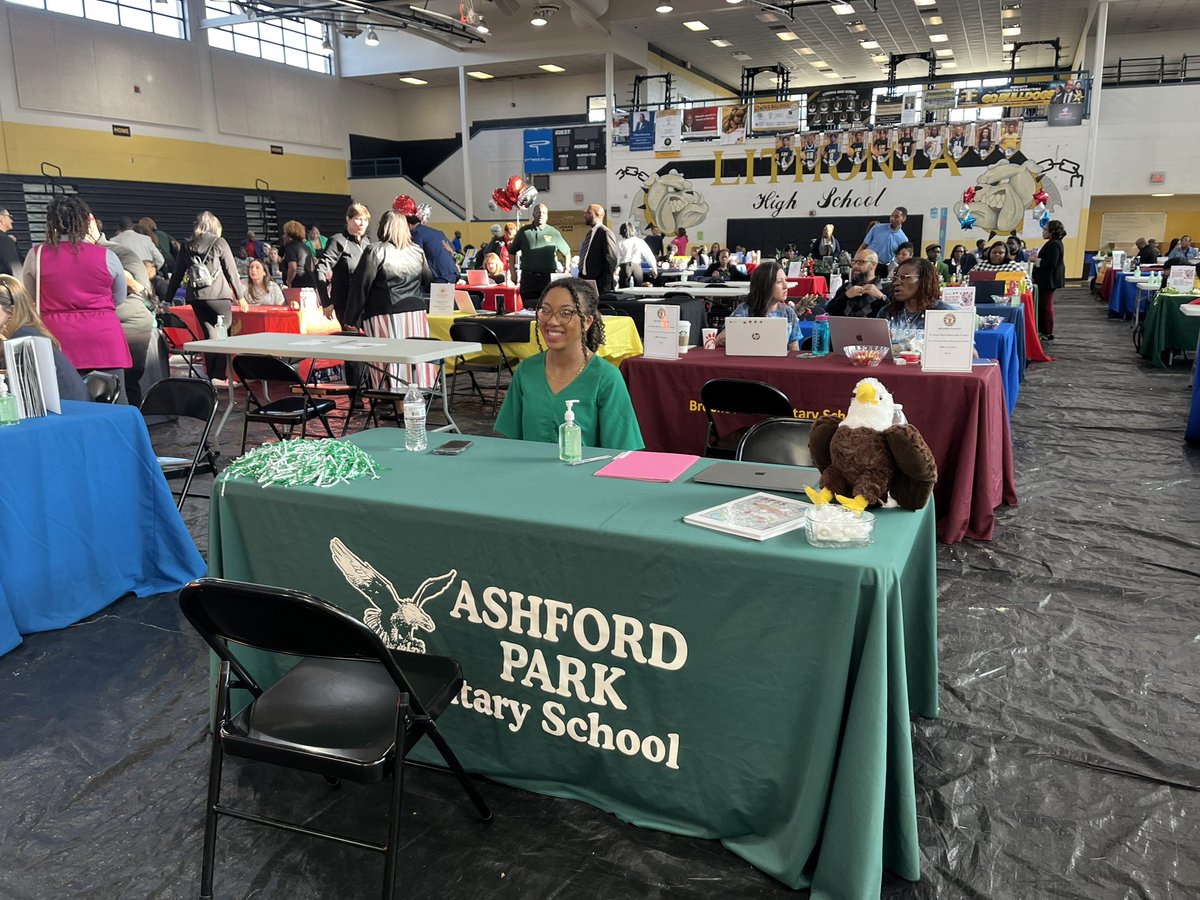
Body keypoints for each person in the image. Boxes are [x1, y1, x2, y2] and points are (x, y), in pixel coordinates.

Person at [495, 277, 643, 451]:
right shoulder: (527, 371)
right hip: (530, 476)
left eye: (566, 313)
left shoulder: (606, 378)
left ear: (586, 322)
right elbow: (511, 442)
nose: (552, 321)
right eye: (546, 310)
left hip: (586, 476)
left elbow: (620, 453)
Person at [22, 195, 131, 400]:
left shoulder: (35, 256)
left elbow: (29, 297)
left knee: (65, 406)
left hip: (57, 339)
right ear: (83, 221)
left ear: (51, 222)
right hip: (104, 337)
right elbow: (119, 298)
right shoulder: (106, 256)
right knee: (114, 404)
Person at [346, 209, 435, 390]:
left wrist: (350, 318)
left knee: (388, 361)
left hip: (384, 313)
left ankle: (396, 403)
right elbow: (428, 278)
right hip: (416, 311)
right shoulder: (417, 251)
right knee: (414, 358)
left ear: (383, 226)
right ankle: (417, 395)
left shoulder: (374, 250)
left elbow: (361, 286)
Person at [165, 210, 243, 383]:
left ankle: (211, 376)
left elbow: (177, 274)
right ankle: (219, 376)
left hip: (196, 296)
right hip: (219, 296)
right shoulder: (219, 242)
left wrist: (167, 298)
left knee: (209, 335)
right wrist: (241, 295)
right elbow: (231, 270)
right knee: (223, 336)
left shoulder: (186, 246)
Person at [0, 274, 90, 402]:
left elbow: (24, 393)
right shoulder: (24, 333)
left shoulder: (24, 338)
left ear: (11, 311)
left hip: (66, 411)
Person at [715, 262, 804, 351]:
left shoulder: (788, 313)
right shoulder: (744, 311)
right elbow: (719, 340)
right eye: (780, 282)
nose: (786, 286)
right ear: (765, 285)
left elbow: (794, 349)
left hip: (779, 363)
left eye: (786, 280)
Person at [316, 201, 372, 324]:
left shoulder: (367, 242)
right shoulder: (338, 241)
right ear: (348, 219)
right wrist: (326, 302)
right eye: (358, 219)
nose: (362, 223)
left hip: (368, 303)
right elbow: (320, 269)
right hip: (346, 304)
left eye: (365, 220)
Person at [513, 204, 570, 308]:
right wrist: (513, 273)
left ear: (547, 216)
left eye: (544, 213)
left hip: (547, 279)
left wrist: (567, 270)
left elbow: (567, 252)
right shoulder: (524, 232)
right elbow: (511, 252)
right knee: (528, 308)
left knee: (547, 307)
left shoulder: (553, 232)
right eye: (538, 212)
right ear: (533, 214)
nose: (541, 215)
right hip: (528, 278)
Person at [393, 195, 458, 284]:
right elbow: (452, 251)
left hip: (439, 277)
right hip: (452, 273)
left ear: (407, 224)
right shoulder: (437, 232)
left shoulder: (416, 234)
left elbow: (415, 259)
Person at [877, 257, 953, 328]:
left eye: (903, 277)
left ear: (924, 280)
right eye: (895, 278)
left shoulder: (945, 314)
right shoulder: (886, 313)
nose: (896, 283)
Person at [825, 250, 888, 318]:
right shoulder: (845, 288)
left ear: (873, 265)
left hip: (874, 328)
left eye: (860, 262)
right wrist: (845, 296)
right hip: (846, 327)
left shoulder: (885, 289)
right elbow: (829, 312)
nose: (855, 266)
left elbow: (895, 315)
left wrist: (882, 297)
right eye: (854, 262)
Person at [1033, 220, 1065, 342]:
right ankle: (1043, 330)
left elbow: (1051, 263)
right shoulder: (1053, 243)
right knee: (1043, 305)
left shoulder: (1054, 244)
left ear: (1052, 232)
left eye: (1045, 229)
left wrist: (1035, 260)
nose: (1043, 232)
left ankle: (1047, 332)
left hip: (1049, 280)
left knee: (1046, 306)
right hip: (1046, 279)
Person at [577, 202, 619, 294]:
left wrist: (604, 283)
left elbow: (611, 260)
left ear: (598, 215)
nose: (585, 215)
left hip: (599, 285)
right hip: (586, 281)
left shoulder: (605, 233)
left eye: (588, 213)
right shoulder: (590, 234)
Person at [618, 223, 657, 288]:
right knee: (638, 290)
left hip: (624, 267)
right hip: (637, 267)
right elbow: (649, 256)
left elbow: (617, 258)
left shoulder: (620, 243)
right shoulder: (640, 241)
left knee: (623, 290)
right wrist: (654, 268)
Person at [280, 220, 315, 289]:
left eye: (285, 234)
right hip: (310, 281)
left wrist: (289, 281)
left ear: (289, 235)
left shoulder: (290, 248)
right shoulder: (307, 247)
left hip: (297, 283)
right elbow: (311, 266)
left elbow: (293, 267)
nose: (283, 236)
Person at [1, 207, 23, 279]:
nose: (12, 220)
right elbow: (16, 270)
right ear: (1, 218)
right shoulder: (4, 240)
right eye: (9, 217)